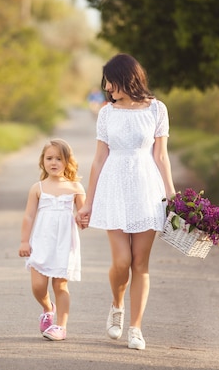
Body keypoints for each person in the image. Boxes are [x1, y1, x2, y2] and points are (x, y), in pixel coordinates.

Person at [75, 53, 176, 350]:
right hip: (114, 187)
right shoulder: (107, 113)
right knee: (121, 262)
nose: (107, 86)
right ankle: (117, 305)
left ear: (125, 78)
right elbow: (98, 159)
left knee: (140, 264)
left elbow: (160, 156)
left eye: (110, 80)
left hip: (147, 188)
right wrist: (88, 203)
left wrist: (172, 197)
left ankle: (136, 328)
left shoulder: (157, 109)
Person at [19, 138, 87, 341]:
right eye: (49, 158)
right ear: (43, 161)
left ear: (68, 162)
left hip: (64, 244)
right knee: (38, 286)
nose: (54, 162)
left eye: (59, 158)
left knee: (60, 285)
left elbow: (83, 216)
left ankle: (61, 326)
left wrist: (82, 219)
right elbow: (28, 216)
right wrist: (24, 241)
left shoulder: (76, 188)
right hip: (41, 242)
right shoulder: (38, 188)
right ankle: (48, 308)